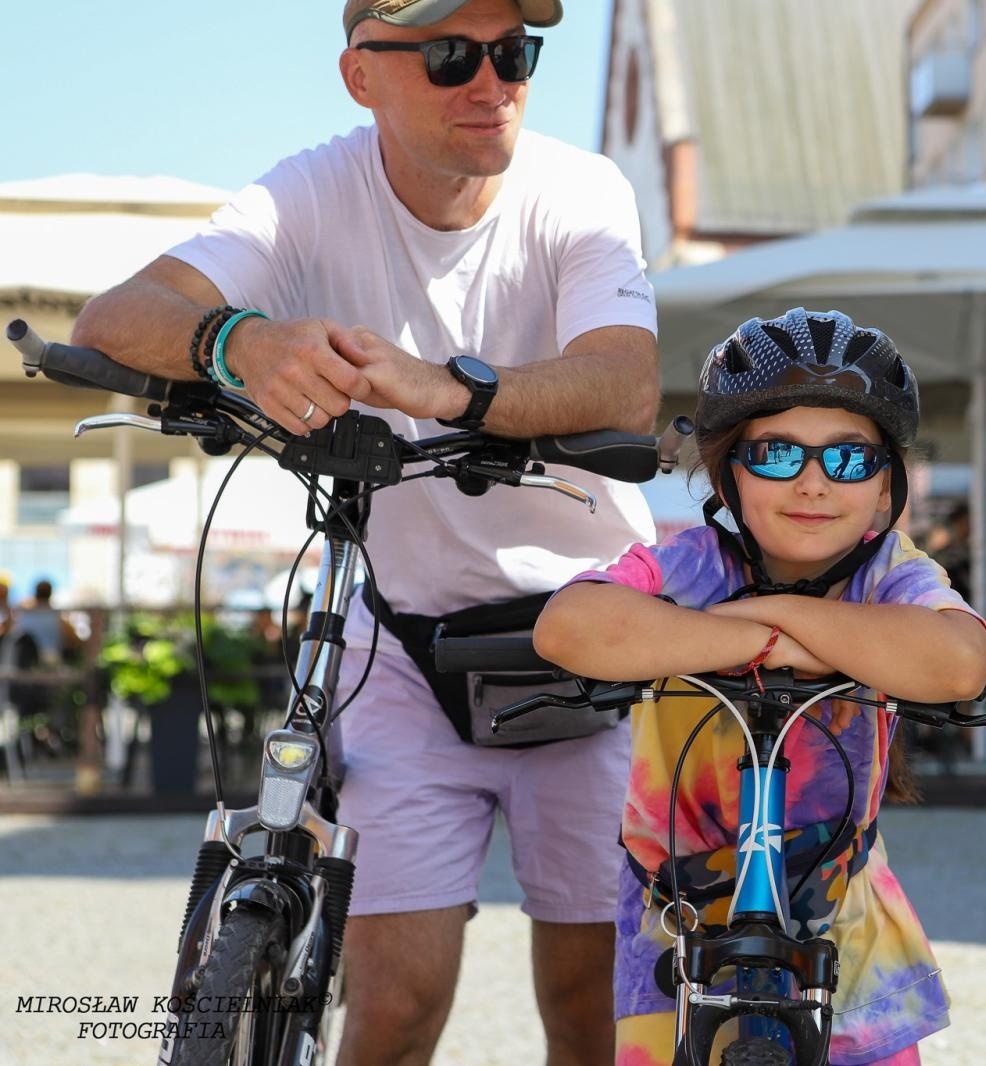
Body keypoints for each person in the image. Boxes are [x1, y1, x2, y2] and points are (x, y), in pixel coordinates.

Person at [71, 2, 660, 1062]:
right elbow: (114, 316)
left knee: (592, 1012)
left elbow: (623, 381)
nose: (492, 82)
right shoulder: (309, 193)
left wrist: (449, 390)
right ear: (360, 76)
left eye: (514, 52)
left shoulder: (580, 190)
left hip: (589, 641)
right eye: (450, 56)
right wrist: (236, 339)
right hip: (402, 646)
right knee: (393, 1008)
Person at [535, 309, 986, 1064]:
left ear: (886, 486)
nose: (813, 482)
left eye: (849, 458)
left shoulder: (892, 574)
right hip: (676, 918)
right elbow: (570, 627)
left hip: (840, 910)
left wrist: (769, 613)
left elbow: (957, 663)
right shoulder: (692, 563)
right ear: (729, 474)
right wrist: (773, 644)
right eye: (776, 454)